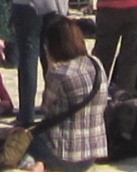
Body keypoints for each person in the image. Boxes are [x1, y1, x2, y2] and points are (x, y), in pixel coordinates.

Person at [34, 19, 109, 172]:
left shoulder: (58, 72)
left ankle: (38, 166)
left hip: (65, 154)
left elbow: (46, 108)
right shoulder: (96, 64)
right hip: (92, 152)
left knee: (23, 143)